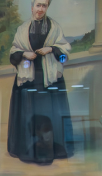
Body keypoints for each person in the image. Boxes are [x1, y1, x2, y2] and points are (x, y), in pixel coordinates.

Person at [7, 0, 74, 165]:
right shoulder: (22, 29)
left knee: (51, 114)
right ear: (32, 7)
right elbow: (13, 54)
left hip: (51, 80)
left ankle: (53, 150)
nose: (41, 9)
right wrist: (24, 54)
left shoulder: (55, 27)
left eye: (44, 5)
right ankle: (28, 150)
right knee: (29, 114)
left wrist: (50, 49)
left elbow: (64, 53)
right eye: (38, 5)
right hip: (28, 81)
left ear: (47, 7)